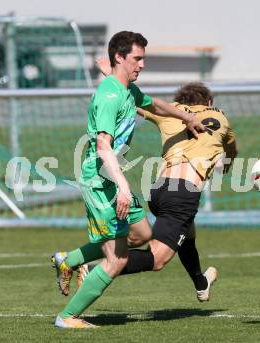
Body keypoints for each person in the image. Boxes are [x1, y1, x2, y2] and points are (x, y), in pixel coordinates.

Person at [52, 31, 205, 329]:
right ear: (120, 58)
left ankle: (68, 260)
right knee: (117, 259)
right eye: (137, 58)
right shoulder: (110, 97)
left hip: (111, 176)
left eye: (143, 58)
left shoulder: (125, 90)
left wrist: (186, 118)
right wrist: (122, 187)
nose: (142, 64)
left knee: (142, 234)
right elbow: (102, 146)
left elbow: (155, 104)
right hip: (99, 181)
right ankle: (68, 317)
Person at [77, 80, 238, 304]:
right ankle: (94, 269)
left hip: (160, 190)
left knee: (187, 235)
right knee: (157, 259)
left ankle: (201, 283)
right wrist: (228, 161)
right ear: (209, 102)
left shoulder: (172, 111)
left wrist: (111, 74)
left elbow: (135, 100)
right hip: (183, 193)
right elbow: (231, 147)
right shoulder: (221, 117)